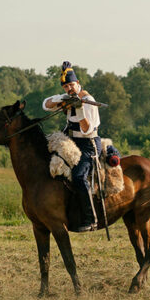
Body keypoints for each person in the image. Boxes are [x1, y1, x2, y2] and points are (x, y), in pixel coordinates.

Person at [42, 61, 101, 232]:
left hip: (88, 144)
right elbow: (45, 105)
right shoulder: (67, 98)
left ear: (78, 83)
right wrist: (62, 99)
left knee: (78, 176)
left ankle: (91, 219)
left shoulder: (88, 100)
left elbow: (87, 129)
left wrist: (80, 109)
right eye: (66, 86)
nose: (69, 88)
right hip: (72, 142)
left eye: (71, 85)